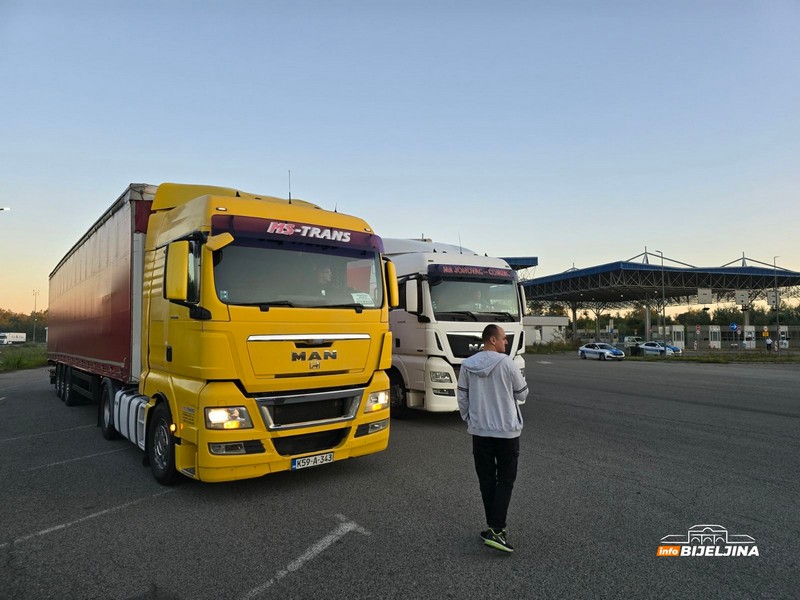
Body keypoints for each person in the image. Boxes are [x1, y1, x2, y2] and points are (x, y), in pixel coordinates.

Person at [457, 324, 529, 553]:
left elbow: (462, 396)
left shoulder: (468, 365)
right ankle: (497, 530)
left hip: (480, 432)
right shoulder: (508, 363)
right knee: (505, 480)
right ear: (492, 340)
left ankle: (492, 528)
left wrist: (469, 418)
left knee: (486, 481)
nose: (506, 343)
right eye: (504, 339)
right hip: (506, 431)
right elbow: (522, 393)